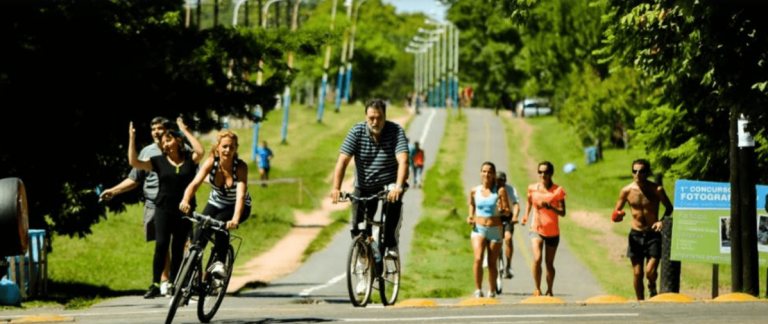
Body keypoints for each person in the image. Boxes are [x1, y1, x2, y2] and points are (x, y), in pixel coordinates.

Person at [99, 117, 182, 296]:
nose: (156, 132)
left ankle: (183, 279)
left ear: (168, 131)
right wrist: (113, 191)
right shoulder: (147, 152)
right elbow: (134, 178)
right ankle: (165, 281)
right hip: (154, 204)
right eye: (153, 129)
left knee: (184, 243)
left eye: (160, 129)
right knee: (162, 243)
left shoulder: (181, 150)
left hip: (178, 203)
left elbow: (195, 173)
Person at [128, 117, 204, 298]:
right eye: (163, 142)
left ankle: (172, 283)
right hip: (163, 208)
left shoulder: (188, 159)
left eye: (168, 139)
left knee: (178, 248)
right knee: (161, 245)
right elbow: (134, 163)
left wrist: (184, 131)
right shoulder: (158, 161)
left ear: (177, 141)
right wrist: (132, 139)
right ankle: (155, 283)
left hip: (184, 210)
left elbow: (200, 151)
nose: (165, 143)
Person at [330, 98, 409, 259]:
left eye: (379, 117)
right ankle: (363, 260)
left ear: (385, 116)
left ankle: (390, 245)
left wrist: (399, 186)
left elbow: (403, 161)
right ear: (366, 117)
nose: (375, 122)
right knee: (359, 227)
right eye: (371, 118)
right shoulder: (357, 131)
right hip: (365, 186)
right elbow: (342, 161)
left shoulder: (396, 131)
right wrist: (336, 188)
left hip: (389, 185)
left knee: (392, 210)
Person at [180, 130, 252, 279]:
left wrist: (235, 219)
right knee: (199, 235)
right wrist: (185, 200)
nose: (227, 150)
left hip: (237, 207)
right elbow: (194, 183)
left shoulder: (240, 167)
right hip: (216, 203)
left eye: (231, 147)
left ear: (236, 149)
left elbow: (240, 195)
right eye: (224, 146)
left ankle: (220, 263)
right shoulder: (211, 163)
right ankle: (189, 275)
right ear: (218, 147)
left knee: (220, 224)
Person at [612, 159, 673, 300]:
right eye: (635, 171)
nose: (638, 174)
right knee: (637, 273)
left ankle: (652, 285)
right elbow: (616, 211)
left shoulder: (656, 189)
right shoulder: (626, 191)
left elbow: (669, 207)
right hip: (635, 235)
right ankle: (641, 301)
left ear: (647, 173)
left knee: (650, 271)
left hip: (653, 234)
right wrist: (618, 216)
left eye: (641, 171)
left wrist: (661, 221)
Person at [521, 161, 566, 297]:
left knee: (549, 264)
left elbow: (563, 212)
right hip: (536, 229)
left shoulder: (558, 191)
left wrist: (550, 206)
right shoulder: (532, 188)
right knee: (537, 258)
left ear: (551, 173)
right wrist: (526, 215)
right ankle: (537, 288)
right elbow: (529, 201)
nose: (543, 174)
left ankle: (550, 289)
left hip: (552, 232)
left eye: (546, 172)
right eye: (540, 172)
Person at [467, 162, 511, 298]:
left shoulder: (500, 191)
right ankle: (478, 289)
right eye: (484, 171)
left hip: (495, 230)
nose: (487, 174)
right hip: (479, 229)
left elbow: (508, 212)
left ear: (494, 174)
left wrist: (502, 209)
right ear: (480, 173)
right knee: (478, 258)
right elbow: (471, 204)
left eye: (490, 172)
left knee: (492, 263)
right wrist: (470, 216)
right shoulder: (474, 190)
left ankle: (491, 290)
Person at [496, 172, 520, 279]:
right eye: (497, 180)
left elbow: (516, 205)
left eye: (501, 180)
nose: (500, 182)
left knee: (508, 238)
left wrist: (514, 217)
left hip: (507, 217)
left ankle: (508, 266)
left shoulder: (510, 189)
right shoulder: (491, 189)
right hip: (494, 218)